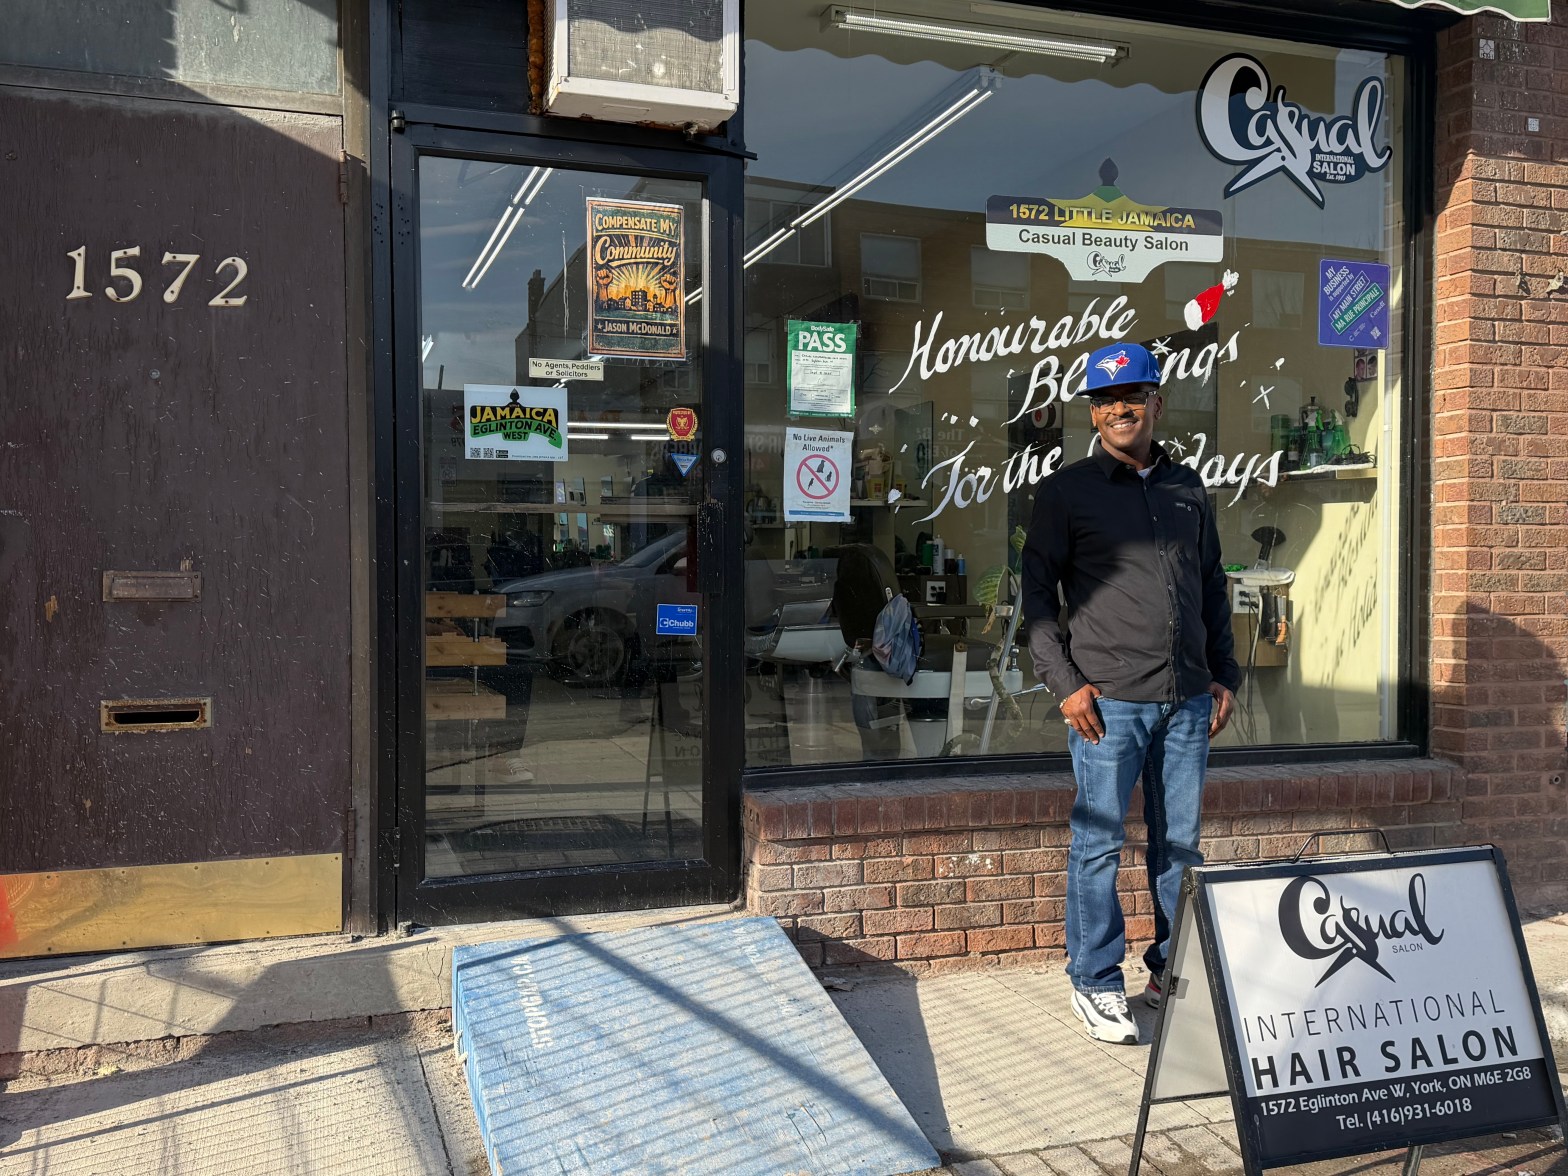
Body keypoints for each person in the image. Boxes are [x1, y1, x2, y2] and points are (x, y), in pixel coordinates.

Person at [1022, 341, 1238, 1045]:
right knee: (1097, 845)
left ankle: (1172, 974)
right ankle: (1094, 981)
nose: (1121, 408)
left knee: (1182, 848)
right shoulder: (1066, 492)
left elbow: (1209, 583)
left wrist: (1222, 674)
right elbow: (1037, 598)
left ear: (1156, 403)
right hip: (1106, 702)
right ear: (1093, 413)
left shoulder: (1187, 487)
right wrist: (1066, 686)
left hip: (1183, 700)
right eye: (1106, 399)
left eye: (1134, 395)